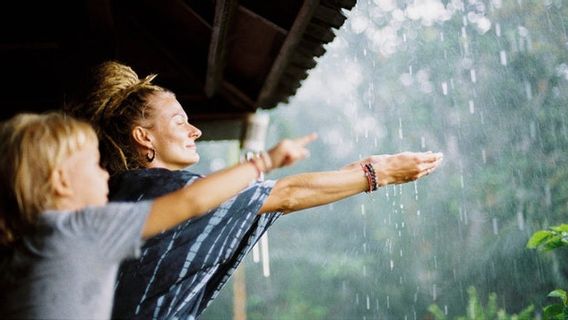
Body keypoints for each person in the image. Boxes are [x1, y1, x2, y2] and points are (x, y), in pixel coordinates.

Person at [69, 61, 443, 319]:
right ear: (144, 136)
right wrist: (379, 173)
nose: (194, 131)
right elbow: (284, 194)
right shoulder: (164, 191)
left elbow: (279, 192)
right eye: (179, 120)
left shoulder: (123, 191)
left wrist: (354, 171)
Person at [0, 112, 309, 319]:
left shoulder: (27, 245)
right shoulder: (84, 230)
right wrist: (264, 162)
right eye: (94, 165)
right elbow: (191, 201)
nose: (104, 174)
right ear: (61, 182)